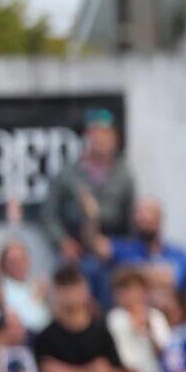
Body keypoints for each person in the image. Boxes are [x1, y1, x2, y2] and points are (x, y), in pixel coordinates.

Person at [33, 266, 128, 372]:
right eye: (64, 288)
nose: (70, 294)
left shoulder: (102, 332)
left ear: (85, 290)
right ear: (54, 293)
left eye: (74, 286)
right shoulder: (45, 337)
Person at [41, 109, 136, 264]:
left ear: (115, 139)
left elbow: (131, 219)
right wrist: (63, 241)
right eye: (93, 133)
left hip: (112, 252)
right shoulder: (67, 174)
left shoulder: (124, 176)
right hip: (77, 251)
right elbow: (49, 215)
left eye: (105, 134)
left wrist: (120, 248)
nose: (99, 139)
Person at [105, 199, 186, 296]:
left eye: (149, 213)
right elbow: (100, 247)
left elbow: (176, 279)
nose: (144, 217)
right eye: (140, 214)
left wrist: (138, 273)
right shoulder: (124, 249)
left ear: (160, 218)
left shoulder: (178, 254)